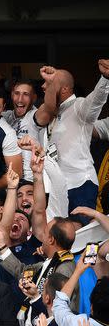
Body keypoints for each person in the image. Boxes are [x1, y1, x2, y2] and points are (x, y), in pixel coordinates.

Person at [45, 60, 109, 217]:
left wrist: (105, 78)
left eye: (50, 84)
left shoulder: (79, 106)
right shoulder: (53, 114)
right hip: (60, 187)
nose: (43, 87)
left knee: (80, 236)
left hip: (80, 183)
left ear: (65, 88)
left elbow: (96, 101)